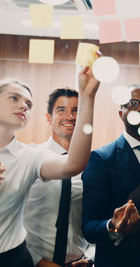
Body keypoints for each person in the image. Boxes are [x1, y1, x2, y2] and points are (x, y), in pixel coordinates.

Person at [0, 67, 99, 267]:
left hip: (13, 259)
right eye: (14, 98)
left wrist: (88, 95)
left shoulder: (30, 156)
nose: (23, 106)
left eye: (28, 104)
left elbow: (73, 164)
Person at [81, 84, 140, 266]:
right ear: (121, 114)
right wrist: (113, 226)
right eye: (131, 103)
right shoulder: (102, 159)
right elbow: (89, 226)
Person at [24, 88, 95, 267]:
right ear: (49, 117)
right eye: (61, 110)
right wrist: (37, 261)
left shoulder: (94, 164)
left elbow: (94, 218)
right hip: (32, 261)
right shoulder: (30, 157)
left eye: (76, 110)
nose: (70, 116)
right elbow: (12, 218)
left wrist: (89, 258)